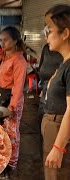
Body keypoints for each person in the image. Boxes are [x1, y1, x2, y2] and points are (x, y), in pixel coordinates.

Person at [0, 26, 27, 176]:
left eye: (5, 40)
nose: (2, 43)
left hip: (12, 100)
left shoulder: (19, 61)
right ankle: (1, 158)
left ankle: (12, 162)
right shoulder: (0, 58)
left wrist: (12, 106)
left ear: (15, 40)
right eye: (0, 40)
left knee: (12, 131)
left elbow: (18, 86)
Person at [41, 4, 70, 180]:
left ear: (65, 33)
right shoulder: (64, 63)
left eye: (49, 30)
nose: (46, 37)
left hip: (60, 129)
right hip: (52, 126)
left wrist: (58, 148)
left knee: (58, 175)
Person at [37, 43, 63, 160]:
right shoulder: (46, 48)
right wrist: (43, 88)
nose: (46, 36)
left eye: (50, 31)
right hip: (46, 95)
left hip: (58, 105)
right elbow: (41, 69)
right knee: (43, 133)